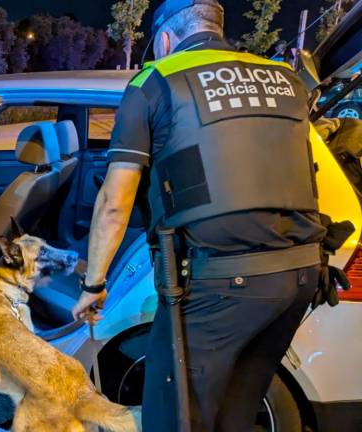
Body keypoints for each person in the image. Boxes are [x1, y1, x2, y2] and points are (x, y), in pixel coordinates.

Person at [71, 1, 335, 430]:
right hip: (300, 275)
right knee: (236, 409)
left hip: (219, 285)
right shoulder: (283, 78)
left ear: (165, 39)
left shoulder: (155, 82)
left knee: (174, 415)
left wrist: (93, 285)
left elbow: (114, 202)